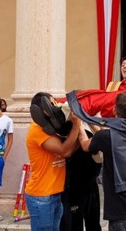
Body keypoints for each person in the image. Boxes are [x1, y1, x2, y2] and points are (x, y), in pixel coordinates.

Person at [74, 91, 126, 231]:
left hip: (121, 214)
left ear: (114, 109)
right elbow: (106, 137)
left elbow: (85, 144)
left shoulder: (106, 137)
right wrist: (92, 119)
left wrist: (78, 122)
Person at [25, 92, 80, 231]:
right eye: (52, 103)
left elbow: (69, 149)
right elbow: (64, 150)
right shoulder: (37, 129)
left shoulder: (52, 129)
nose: (56, 105)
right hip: (41, 196)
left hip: (55, 193)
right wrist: (76, 126)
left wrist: (81, 135)